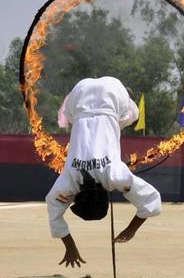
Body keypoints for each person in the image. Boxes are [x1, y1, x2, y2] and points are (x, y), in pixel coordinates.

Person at [46, 77, 162, 267]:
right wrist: (70, 246)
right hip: (79, 94)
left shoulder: (114, 177)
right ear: (77, 198)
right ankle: (126, 101)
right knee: (116, 118)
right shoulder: (70, 182)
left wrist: (131, 230)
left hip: (113, 93)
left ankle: (127, 98)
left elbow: (151, 201)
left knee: (130, 116)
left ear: (106, 196)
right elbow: (53, 210)